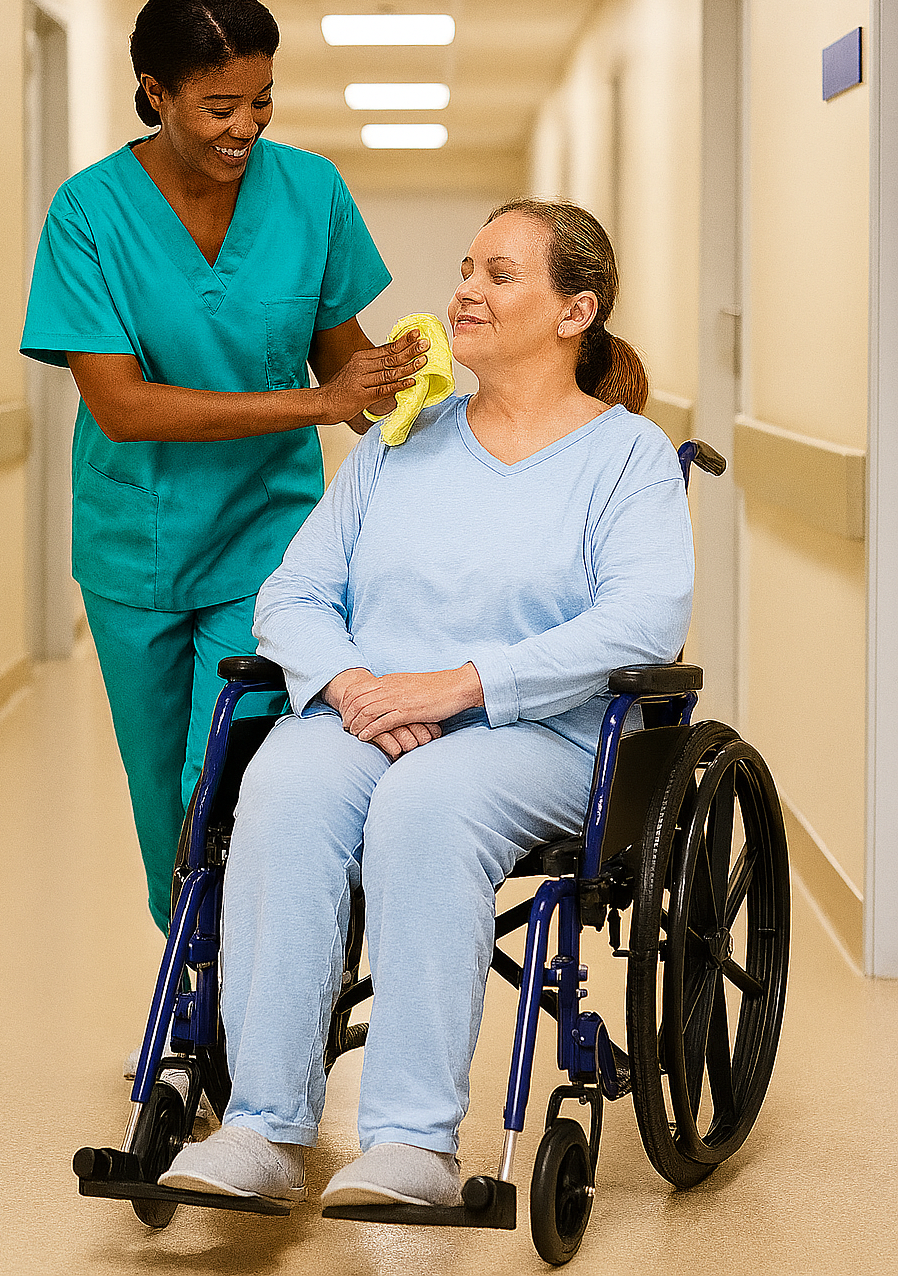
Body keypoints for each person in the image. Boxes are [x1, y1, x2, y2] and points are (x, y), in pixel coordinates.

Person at [158, 198, 695, 1210]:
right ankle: (263, 1127)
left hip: (535, 731)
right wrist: (356, 686)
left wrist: (459, 687)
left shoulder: (622, 456)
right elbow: (293, 593)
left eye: (500, 275)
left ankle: (411, 1142)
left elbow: (642, 620)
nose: (465, 290)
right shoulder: (401, 443)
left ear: (573, 312)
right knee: (283, 788)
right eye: (465, 268)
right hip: (370, 716)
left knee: (428, 803)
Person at [20, 0, 427, 935]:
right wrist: (319, 402)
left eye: (262, 100)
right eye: (218, 105)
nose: (245, 125)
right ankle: (189, 984)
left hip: (269, 536)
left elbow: (341, 361)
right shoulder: (90, 213)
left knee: (235, 775)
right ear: (155, 92)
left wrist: (417, 407)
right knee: (164, 792)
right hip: (138, 544)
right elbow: (119, 405)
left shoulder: (309, 192)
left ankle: (257, 994)